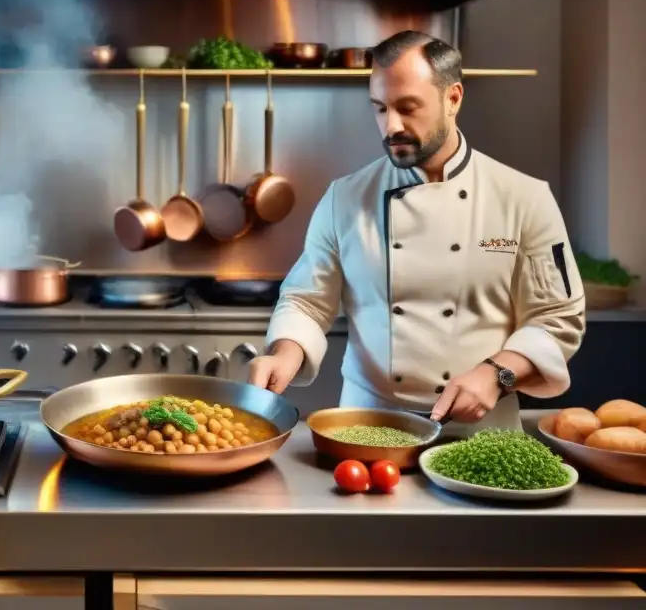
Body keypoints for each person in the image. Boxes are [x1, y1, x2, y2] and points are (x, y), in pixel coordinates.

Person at [248, 30, 586, 431]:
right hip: (368, 426)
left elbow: (557, 318)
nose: (391, 126)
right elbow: (307, 301)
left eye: (408, 107)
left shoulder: (524, 198)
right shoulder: (345, 198)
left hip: (480, 432)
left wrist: (497, 374)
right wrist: (284, 354)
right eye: (379, 108)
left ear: (453, 98)